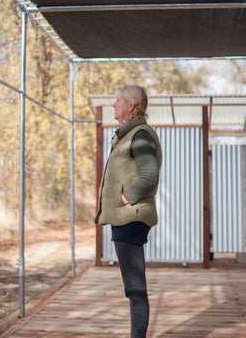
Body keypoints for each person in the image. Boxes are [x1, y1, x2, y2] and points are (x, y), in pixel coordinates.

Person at [95, 85, 162, 338]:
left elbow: (149, 176)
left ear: (132, 106)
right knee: (133, 289)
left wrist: (126, 197)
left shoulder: (140, 134)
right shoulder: (129, 133)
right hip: (127, 218)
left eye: (118, 100)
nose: (113, 104)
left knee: (135, 290)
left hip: (130, 217)